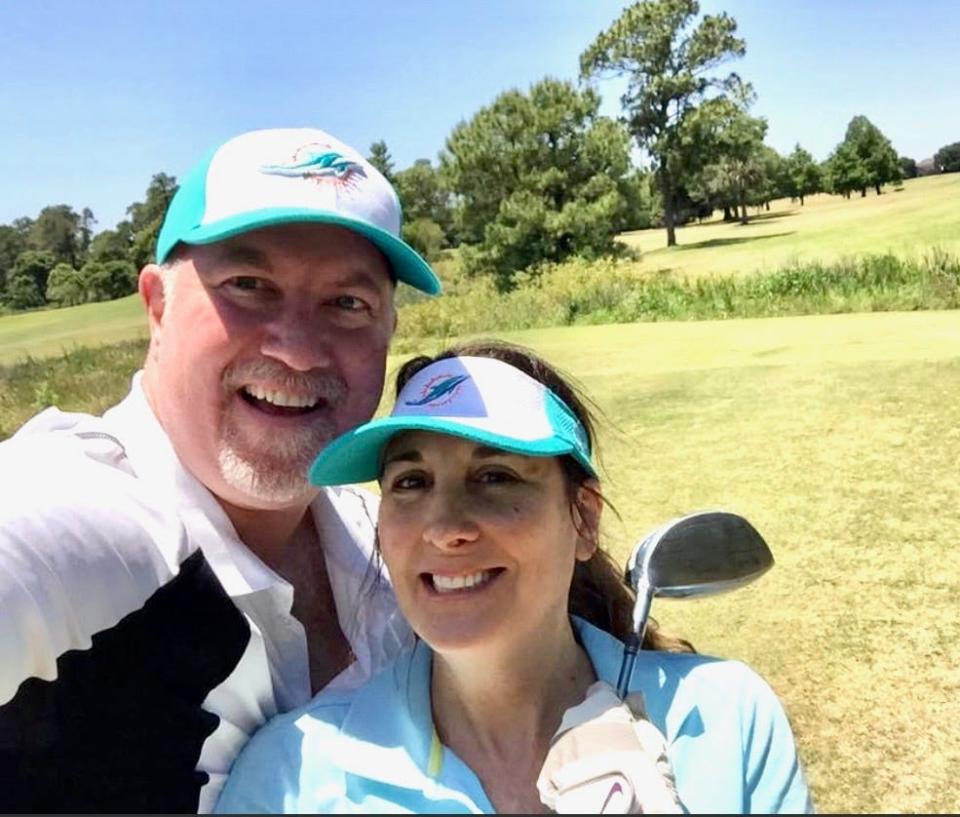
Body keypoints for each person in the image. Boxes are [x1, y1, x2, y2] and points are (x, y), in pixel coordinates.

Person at [0, 127, 441, 812]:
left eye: (347, 303)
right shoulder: (84, 526)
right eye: (248, 285)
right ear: (156, 306)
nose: (297, 350)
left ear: (387, 329)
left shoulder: (380, 536)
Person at [215, 340, 814, 814]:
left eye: (496, 477)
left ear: (583, 519)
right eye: (411, 482)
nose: (445, 528)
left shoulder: (726, 714)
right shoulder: (289, 775)